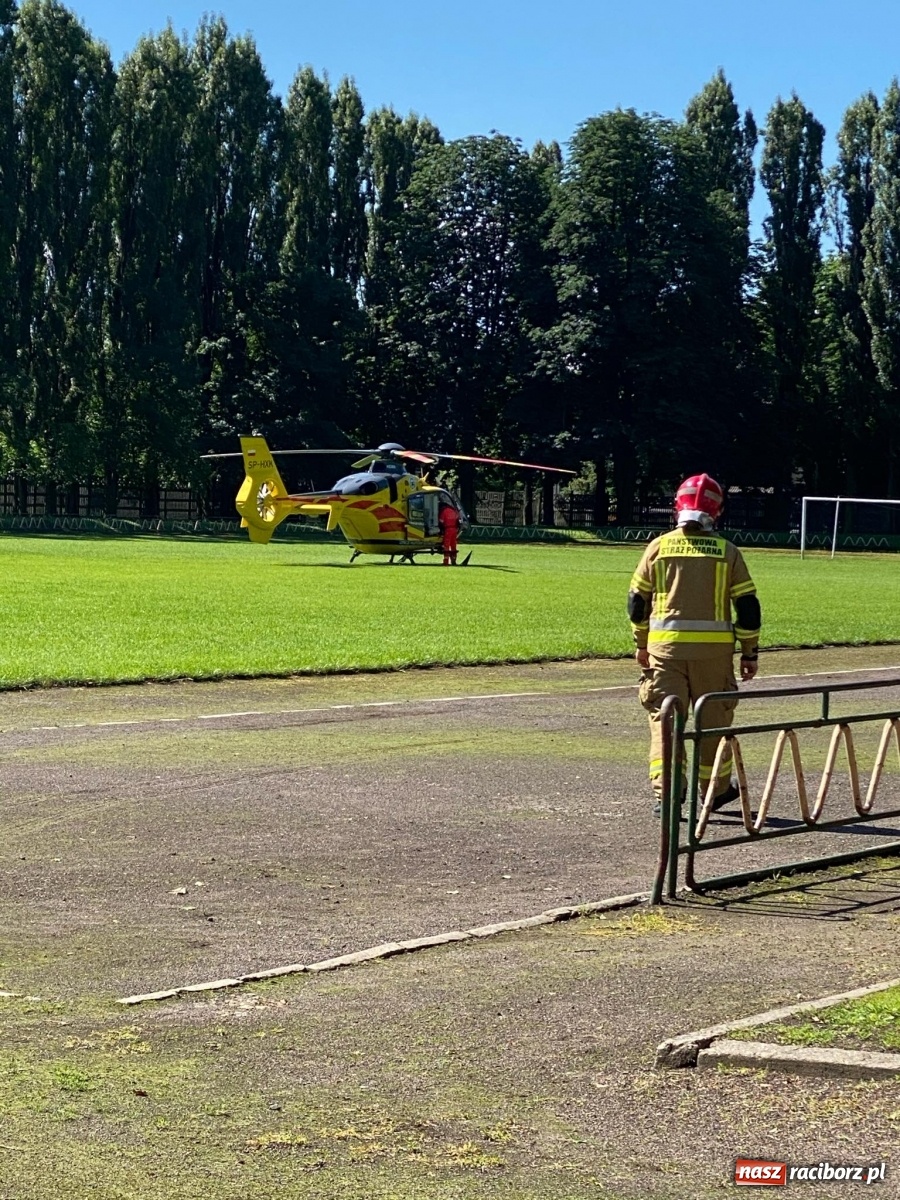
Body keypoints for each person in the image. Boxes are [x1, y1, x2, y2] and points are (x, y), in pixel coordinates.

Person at [626, 474, 761, 814]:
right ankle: (714, 792)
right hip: (713, 657)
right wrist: (749, 653)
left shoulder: (657, 547)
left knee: (666, 721)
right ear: (718, 510)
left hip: (664, 653)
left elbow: (637, 601)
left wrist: (641, 642)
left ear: (677, 506)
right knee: (713, 724)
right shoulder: (727, 552)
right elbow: (747, 607)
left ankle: (669, 795)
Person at [438, 501, 460, 566]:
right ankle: (454, 560)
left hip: (448, 529)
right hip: (454, 530)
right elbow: (458, 520)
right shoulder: (454, 511)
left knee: (446, 545)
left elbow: (441, 521)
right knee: (453, 545)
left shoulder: (444, 511)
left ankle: (446, 561)